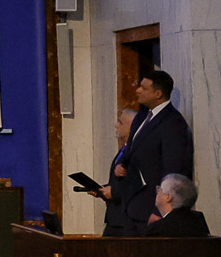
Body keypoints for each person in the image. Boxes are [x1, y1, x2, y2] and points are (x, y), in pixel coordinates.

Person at [113, 70, 193, 233]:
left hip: (150, 211)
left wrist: (160, 211)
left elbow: (174, 169)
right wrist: (122, 163)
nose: (137, 90)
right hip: (130, 207)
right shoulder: (142, 116)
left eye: (144, 88)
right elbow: (132, 147)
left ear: (158, 93)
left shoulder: (172, 122)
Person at [82, 107, 146, 234]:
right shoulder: (124, 151)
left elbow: (140, 186)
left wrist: (114, 193)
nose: (116, 126)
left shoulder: (139, 152)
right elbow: (121, 183)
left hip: (127, 223)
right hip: (114, 219)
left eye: (121, 123)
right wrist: (100, 190)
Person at [143, 174, 211, 237]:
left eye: (159, 189)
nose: (157, 193)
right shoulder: (198, 221)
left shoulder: (157, 229)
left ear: (168, 197)